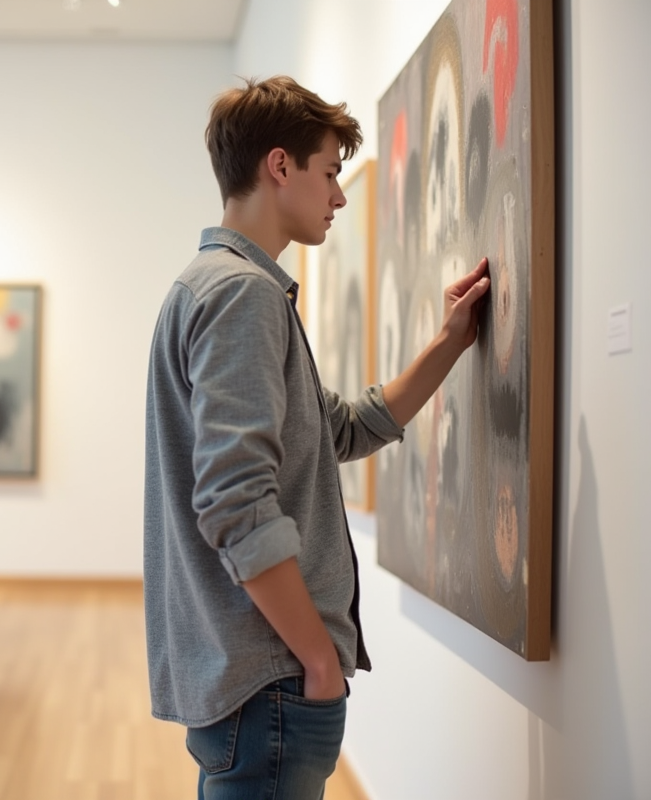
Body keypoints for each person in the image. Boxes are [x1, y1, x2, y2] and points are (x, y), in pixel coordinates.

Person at [143, 76, 491, 799]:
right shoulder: (242, 294)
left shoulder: (209, 286)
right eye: (330, 173)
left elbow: (341, 428)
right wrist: (319, 661)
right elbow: (236, 503)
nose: (338, 196)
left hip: (247, 677)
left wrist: (450, 342)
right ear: (280, 165)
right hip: (272, 677)